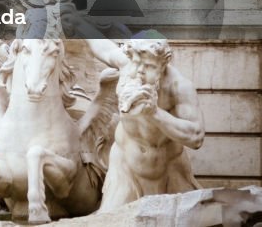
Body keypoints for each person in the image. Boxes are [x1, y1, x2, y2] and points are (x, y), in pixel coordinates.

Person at [84, 38, 204, 210]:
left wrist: (155, 113)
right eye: (136, 63)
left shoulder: (179, 86)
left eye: (148, 66)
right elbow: (100, 45)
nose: (139, 71)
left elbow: (196, 137)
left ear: (162, 66)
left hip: (170, 170)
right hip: (125, 168)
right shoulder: (126, 65)